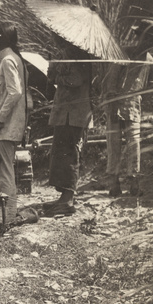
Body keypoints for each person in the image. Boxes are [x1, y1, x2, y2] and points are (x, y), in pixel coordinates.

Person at [104, 19, 153, 197]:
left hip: (133, 109)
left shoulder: (149, 60)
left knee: (134, 146)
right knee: (114, 146)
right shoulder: (124, 54)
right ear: (140, 37)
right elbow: (111, 81)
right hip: (115, 107)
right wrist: (111, 102)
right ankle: (114, 184)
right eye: (148, 38)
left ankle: (134, 183)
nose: (150, 43)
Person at [43, 37, 93, 216]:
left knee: (70, 154)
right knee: (60, 154)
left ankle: (68, 199)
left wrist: (57, 75)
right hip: (66, 113)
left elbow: (76, 80)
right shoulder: (67, 55)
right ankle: (64, 197)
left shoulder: (79, 56)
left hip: (75, 114)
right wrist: (53, 69)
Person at [0, 22, 28, 224]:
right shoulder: (17, 59)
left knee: (3, 172)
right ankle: (5, 215)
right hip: (11, 126)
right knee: (4, 170)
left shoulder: (7, 61)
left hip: (5, 127)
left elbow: (15, 92)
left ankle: (7, 217)